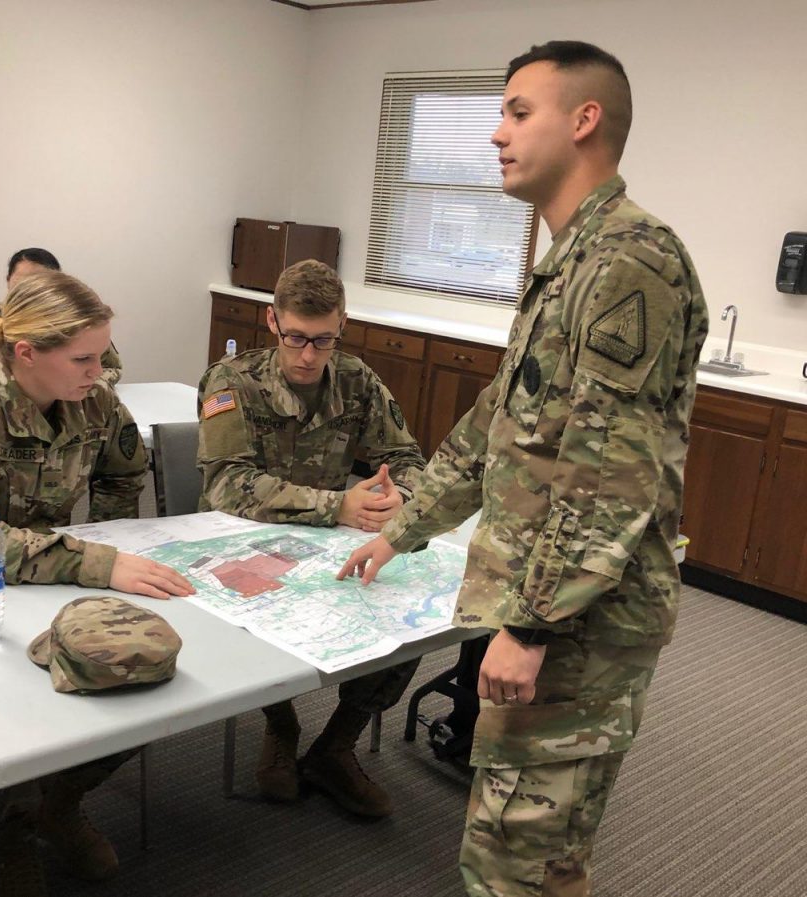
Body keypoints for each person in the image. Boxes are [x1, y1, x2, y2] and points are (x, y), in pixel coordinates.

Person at [339, 41, 709, 895]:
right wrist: (402, 529)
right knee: (508, 846)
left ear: (584, 121)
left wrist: (533, 625)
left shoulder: (630, 261)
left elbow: (610, 473)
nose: (496, 134)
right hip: (554, 610)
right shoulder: (571, 260)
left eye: (516, 111)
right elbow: (495, 428)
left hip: (583, 630)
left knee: (524, 862)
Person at [0, 270, 193, 896]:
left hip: (37, 572)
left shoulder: (93, 399)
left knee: (140, 675)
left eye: (101, 355)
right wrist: (95, 562)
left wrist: (110, 549)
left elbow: (125, 475)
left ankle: (58, 802)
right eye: (84, 358)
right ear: (26, 353)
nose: (99, 371)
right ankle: (11, 826)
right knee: (2, 707)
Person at [197, 259, 426, 818]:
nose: (307, 355)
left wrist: (404, 498)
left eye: (323, 340)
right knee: (265, 625)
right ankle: (281, 723)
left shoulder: (356, 379)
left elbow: (406, 456)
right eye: (296, 337)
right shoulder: (231, 381)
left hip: (325, 542)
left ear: (343, 325)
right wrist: (336, 504)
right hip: (240, 543)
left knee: (409, 615)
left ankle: (336, 745)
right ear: (271, 321)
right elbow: (227, 484)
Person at [0, 247, 123, 383]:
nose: (30, 292)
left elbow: (112, 369)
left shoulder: (75, 321)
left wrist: (77, 385)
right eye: (22, 284)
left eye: (40, 285)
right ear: (8, 281)